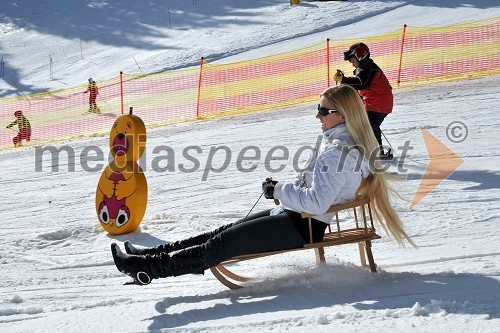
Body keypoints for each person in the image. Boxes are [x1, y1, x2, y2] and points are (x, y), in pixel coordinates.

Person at [111, 85, 414, 285]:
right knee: (219, 233)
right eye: (319, 108)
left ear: (343, 115)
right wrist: (284, 190)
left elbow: (317, 203)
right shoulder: (339, 145)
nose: (317, 115)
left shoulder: (339, 152)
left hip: (302, 224)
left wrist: (279, 190)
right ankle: (148, 257)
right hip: (295, 217)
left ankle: (147, 269)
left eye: (323, 110)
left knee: (221, 245)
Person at [333, 43, 393, 159]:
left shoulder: (366, 68)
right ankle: (377, 152)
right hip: (377, 104)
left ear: (359, 56)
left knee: (366, 127)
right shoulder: (366, 67)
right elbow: (361, 85)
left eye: (352, 61)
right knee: (370, 126)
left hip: (378, 105)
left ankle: (371, 153)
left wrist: (343, 80)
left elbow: (361, 83)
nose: (352, 64)